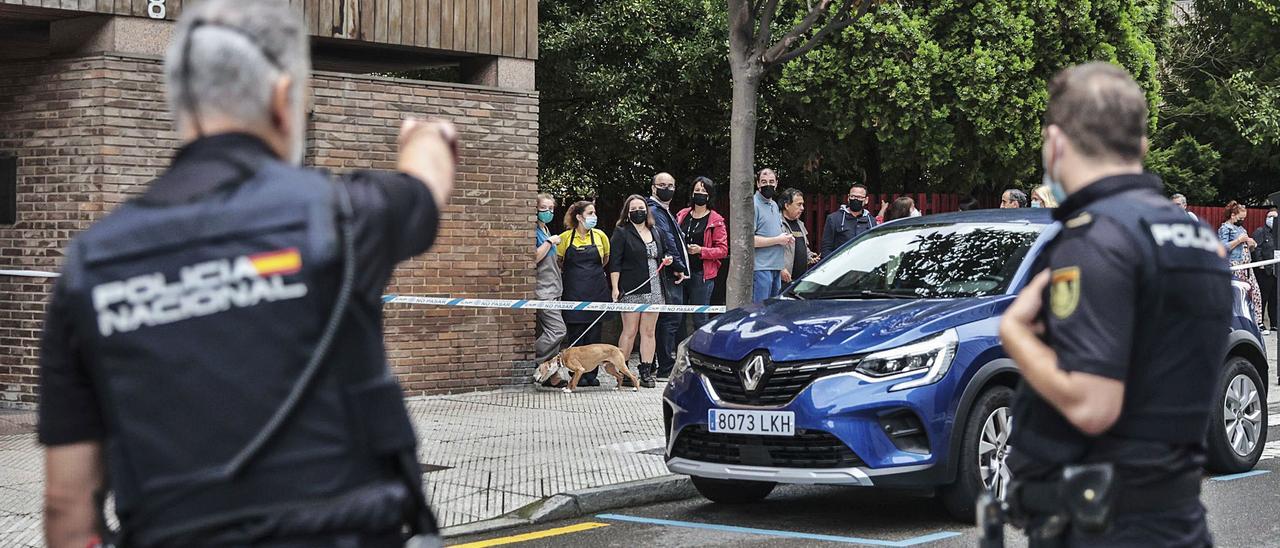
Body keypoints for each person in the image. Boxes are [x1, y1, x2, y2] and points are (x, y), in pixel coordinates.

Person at [38, 1, 450, 546]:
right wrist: (425, 136)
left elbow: (66, 509)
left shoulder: (90, 265)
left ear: (179, 106)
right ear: (282, 100)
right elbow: (425, 185)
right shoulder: (342, 214)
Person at [1000, 62, 1232, 547]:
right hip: (1175, 518)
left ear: (1056, 143)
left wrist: (1015, 334)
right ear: (1141, 145)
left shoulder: (1097, 239)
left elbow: (1092, 405)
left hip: (1103, 525)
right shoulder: (1199, 239)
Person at [611, 195, 673, 388]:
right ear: (627, 213)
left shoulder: (656, 231)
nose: (638, 212)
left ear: (647, 211)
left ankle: (645, 370)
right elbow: (615, 262)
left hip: (655, 287)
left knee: (648, 331)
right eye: (633, 209)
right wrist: (615, 287)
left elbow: (665, 252)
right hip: (631, 288)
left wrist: (668, 259)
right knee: (629, 331)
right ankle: (623, 371)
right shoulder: (622, 232)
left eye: (641, 208)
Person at [556, 200, 612, 387]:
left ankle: (592, 375)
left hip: (596, 290)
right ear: (579, 217)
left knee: (594, 335)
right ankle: (576, 374)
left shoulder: (600, 236)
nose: (594, 216)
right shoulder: (565, 238)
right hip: (573, 291)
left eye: (594, 213)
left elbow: (605, 259)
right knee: (576, 334)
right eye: (590, 213)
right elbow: (559, 261)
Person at [646, 173, 689, 380]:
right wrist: (679, 266)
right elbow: (668, 240)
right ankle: (665, 367)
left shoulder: (663, 210)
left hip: (670, 271)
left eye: (671, 185)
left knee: (668, 320)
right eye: (662, 185)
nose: (667, 189)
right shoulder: (656, 210)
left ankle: (658, 364)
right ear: (653, 188)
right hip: (669, 272)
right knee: (670, 319)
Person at [676, 177, 728, 333]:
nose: (700, 193)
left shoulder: (716, 220)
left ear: (710, 195)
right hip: (680, 273)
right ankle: (680, 346)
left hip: (702, 274)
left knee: (700, 318)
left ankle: (701, 346)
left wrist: (701, 250)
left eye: (704, 191)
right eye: (697, 190)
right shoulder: (682, 215)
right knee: (677, 316)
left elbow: (723, 250)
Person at [534, 194, 567, 382]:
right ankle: (531, 358)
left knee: (553, 334)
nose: (548, 212)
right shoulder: (535, 232)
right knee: (558, 330)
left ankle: (552, 376)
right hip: (543, 290)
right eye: (544, 208)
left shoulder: (545, 229)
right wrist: (550, 242)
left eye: (551, 208)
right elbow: (534, 258)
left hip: (555, 288)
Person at [1221, 201, 1263, 329]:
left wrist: (1251, 245)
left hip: (1247, 267)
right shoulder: (1225, 228)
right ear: (1233, 215)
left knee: (1255, 293)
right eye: (1240, 218)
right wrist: (1239, 240)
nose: (1242, 221)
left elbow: (1247, 248)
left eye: (1244, 218)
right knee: (1238, 295)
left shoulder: (1241, 229)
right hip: (1235, 266)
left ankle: (1256, 322)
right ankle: (1237, 323)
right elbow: (1223, 248)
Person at [752, 169, 792, 302]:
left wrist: (785, 238)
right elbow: (750, 240)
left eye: (771, 181)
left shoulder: (774, 205)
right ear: (758, 184)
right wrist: (778, 240)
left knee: (773, 309)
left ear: (776, 183)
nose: (768, 185)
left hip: (776, 266)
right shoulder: (753, 205)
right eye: (764, 182)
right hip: (761, 268)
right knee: (760, 309)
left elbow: (773, 233)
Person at [820, 182, 876, 258]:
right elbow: (826, 248)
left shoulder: (871, 221)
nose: (855, 199)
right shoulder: (834, 219)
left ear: (866, 200)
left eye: (859, 197)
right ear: (848, 197)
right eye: (853, 196)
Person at [779, 188, 816, 285]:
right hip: (782, 280)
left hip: (799, 281)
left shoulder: (800, 224)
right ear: (787, 205)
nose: (802, 208)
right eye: (799, 204)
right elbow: (770, 250)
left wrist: (810, 256)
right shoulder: (777, 223)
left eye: (802, 204)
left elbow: (803, 246)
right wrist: (780, 268)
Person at [1252, 207, 1278, 333]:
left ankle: (1274, 323)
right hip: (1264, 271)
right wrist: (1260, 264)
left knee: (1275, 298)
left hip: (1276, 271)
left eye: (1275, 217)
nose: (1272, 219)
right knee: (1263, 297)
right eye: (1270, 217)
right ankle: (1260, 322)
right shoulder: (1260, 231)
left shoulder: (1277, 233)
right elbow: (1257, 249)